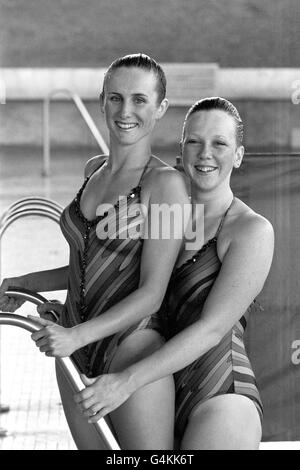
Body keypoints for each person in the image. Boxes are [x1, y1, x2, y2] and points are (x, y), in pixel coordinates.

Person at [0, 53, 191, 450]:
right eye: (116, 98)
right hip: (74, 352)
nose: (126, 110)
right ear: (102, 101)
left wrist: (75, 335)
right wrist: (25, 283)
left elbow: (152, 292)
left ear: (161, 108)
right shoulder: (93, 171)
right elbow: (86, 261)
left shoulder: (167, 186)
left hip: (132, 353)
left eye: (140, 99)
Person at [72, 97, 274, 450]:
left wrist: (126, 382)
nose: (205, 153)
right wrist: (39, 291)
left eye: (220, 143)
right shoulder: (158, 199)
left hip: (217, 393)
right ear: (181, 147)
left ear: (238, 155)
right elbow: (105, 267)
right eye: (194, 141)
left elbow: (211, 329)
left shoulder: (250, 231)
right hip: (153, 385)